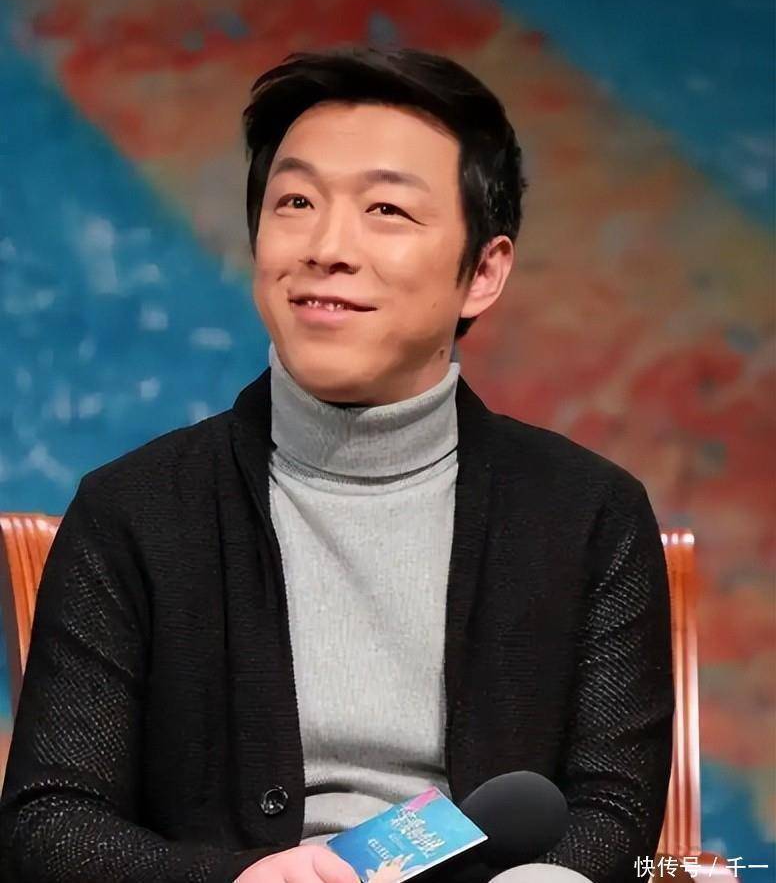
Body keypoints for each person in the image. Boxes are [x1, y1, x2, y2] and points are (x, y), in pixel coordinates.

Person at [0, 47, 674, 883]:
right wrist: (237, 879)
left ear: (483, 272)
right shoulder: (134, 512)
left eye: (386, 208)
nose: (327, 246)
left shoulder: (588, 514)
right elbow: (50, 822)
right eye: (296, 201)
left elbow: (612, 809)